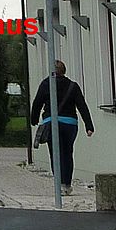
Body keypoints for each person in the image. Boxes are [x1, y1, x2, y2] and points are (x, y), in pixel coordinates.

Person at [29, 59, 95, 195]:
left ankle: (59, 184)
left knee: (55, 154)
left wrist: (34, 119)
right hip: (70, 124)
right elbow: (82, 106)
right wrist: (89, 126)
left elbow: (37, 103)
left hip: (51, 123)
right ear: (64, 71)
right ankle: (67, 185)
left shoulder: (46, 84)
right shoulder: (73, 86)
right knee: (67, 153)